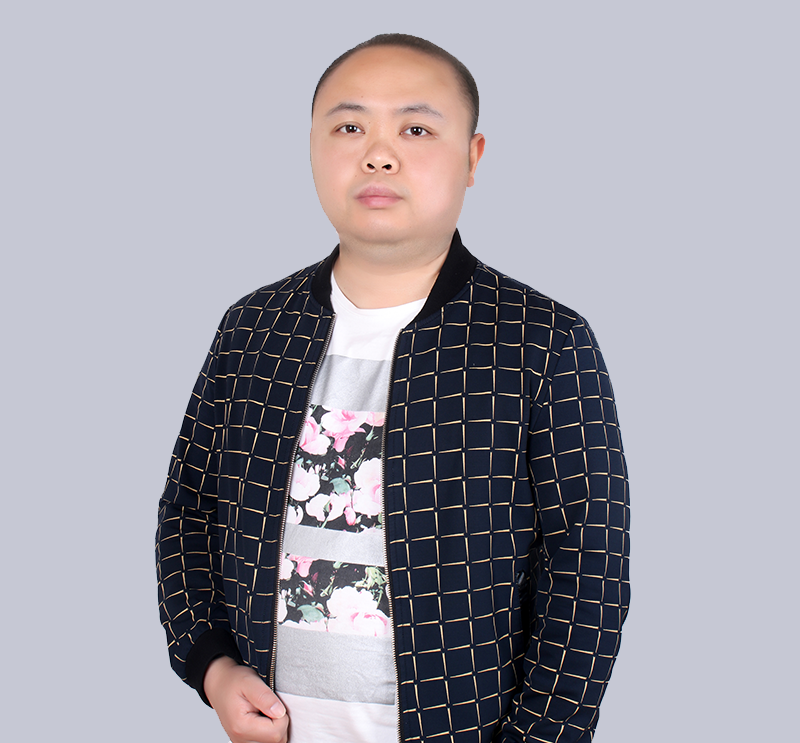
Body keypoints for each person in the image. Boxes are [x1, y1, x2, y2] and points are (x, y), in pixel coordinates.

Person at [157, 33, 630, 743]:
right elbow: (188, 513)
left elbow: (588, 567)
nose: (378, 154)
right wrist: (213, 667)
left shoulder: (541, 342)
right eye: (349, 127)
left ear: (472, 157)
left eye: (415, 129)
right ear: (311, 149)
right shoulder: (253, 329)